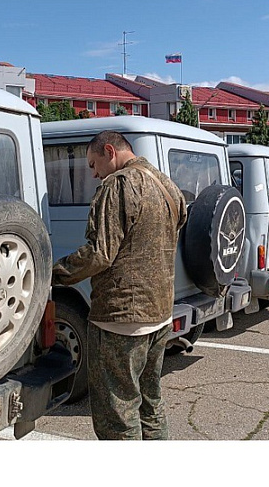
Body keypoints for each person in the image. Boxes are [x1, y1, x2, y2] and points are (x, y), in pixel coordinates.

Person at [51, 131, 187, 440]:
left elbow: (99, 254)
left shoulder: (118, 185)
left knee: (118, 413)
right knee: (150, 402)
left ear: (110, 151)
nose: (93, 173)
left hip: (121, 319)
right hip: (161, 313)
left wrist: (53, 273)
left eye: (93, 164)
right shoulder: (166, 184)